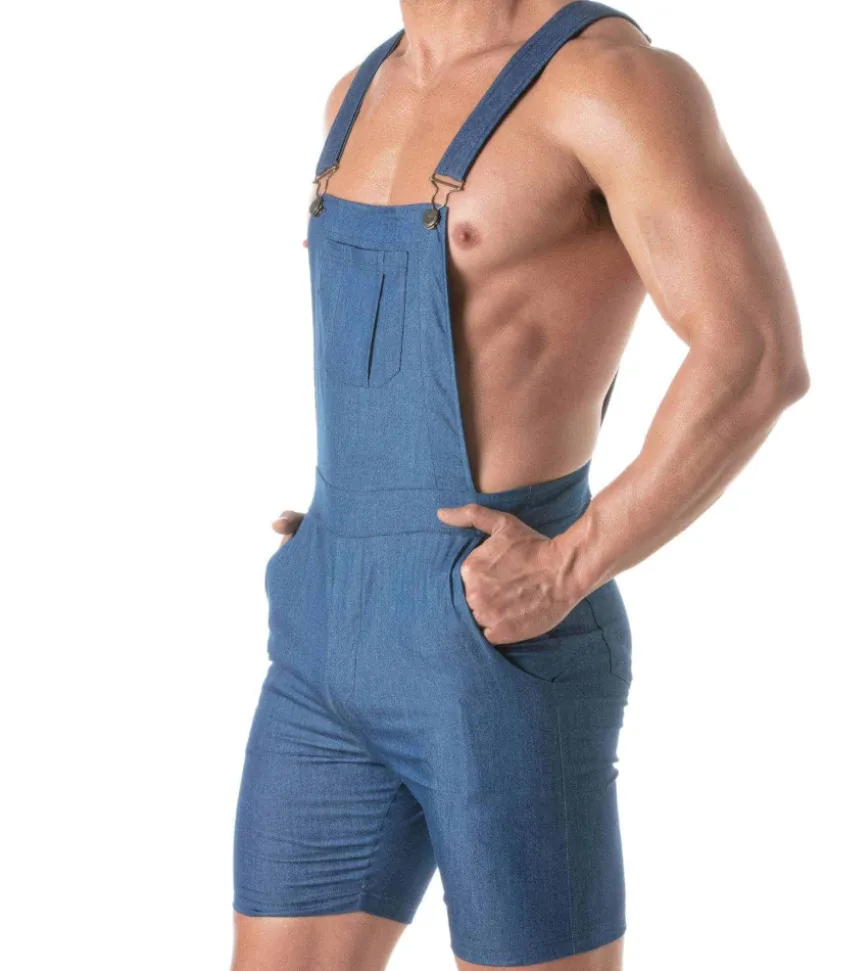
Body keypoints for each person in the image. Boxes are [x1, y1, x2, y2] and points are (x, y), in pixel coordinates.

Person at [232, 2, 809, 969]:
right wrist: (356, 520)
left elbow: (754, 355)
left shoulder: (612, 85)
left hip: (495, 645)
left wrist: (570, 565)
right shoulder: (356, 93)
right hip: (323, 633)